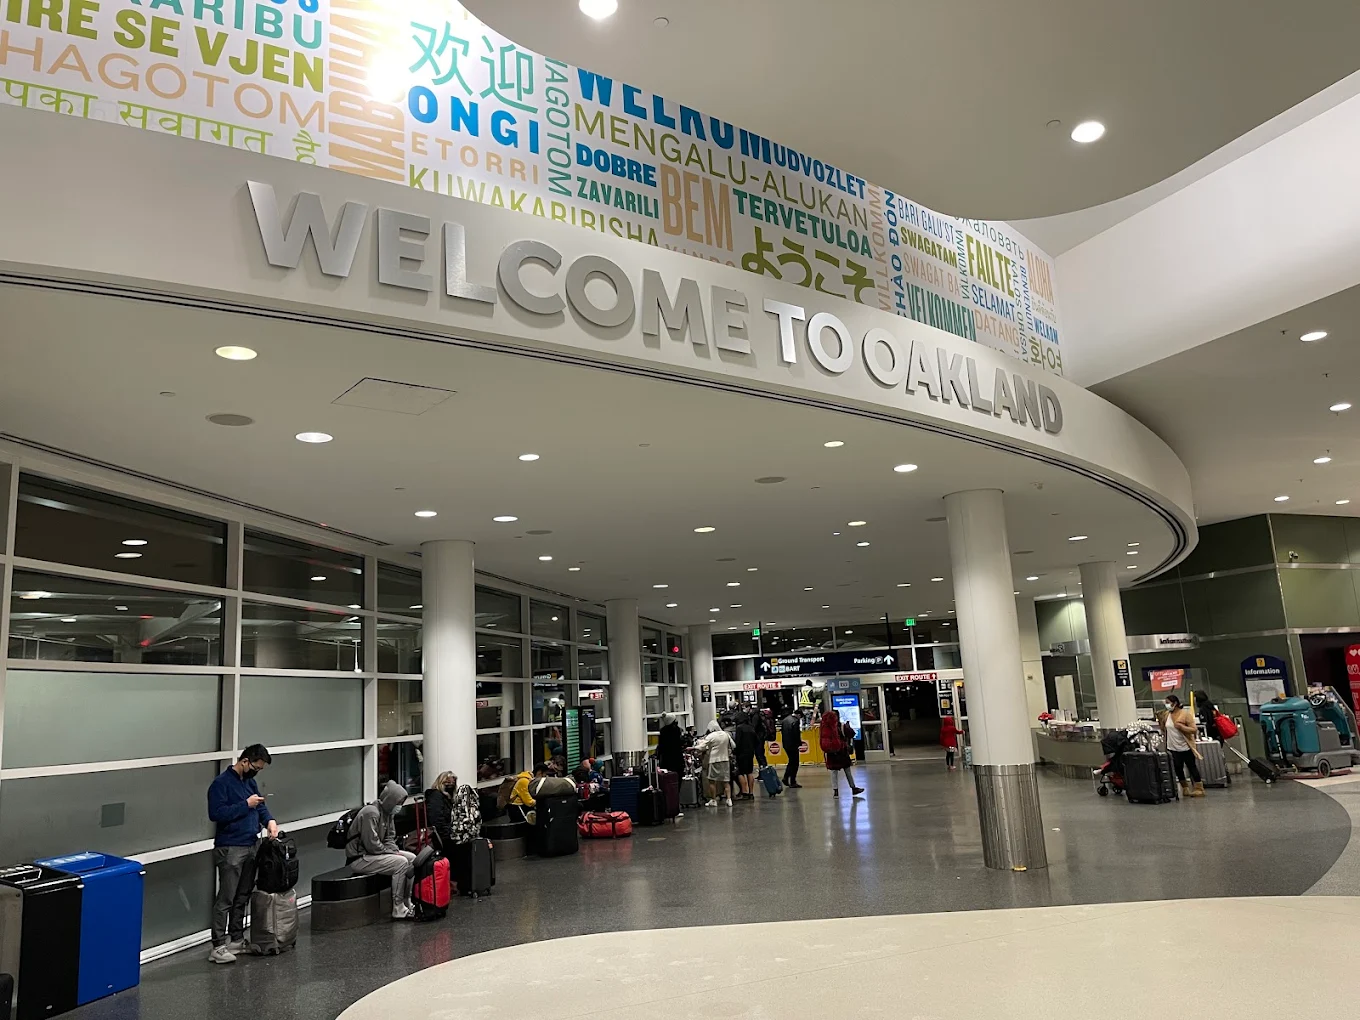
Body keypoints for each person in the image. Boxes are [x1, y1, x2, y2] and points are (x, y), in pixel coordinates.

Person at [206, 744, 277, 965]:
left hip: (250, 844)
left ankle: (236, 939)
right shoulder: (220, 784)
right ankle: (218, 946)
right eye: (256, 767)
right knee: (226, 898)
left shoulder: (249, 782)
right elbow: (216, 813)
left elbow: (259, 806)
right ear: (245, 761)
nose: (257, 772)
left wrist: (270, 821)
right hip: (231, 847)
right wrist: (246, 804)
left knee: (242, 895)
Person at [345, 780, 418, 919]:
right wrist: (391, 852)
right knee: (401, 863)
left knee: (412, 859)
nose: (399, 806)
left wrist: (394, 850)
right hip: (360, 858)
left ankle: (407, 900)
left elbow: (389, 837)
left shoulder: (388, 814)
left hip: (374, 854)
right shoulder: (371, 813)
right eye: (398, 802)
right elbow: (371, 844)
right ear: (390, 800)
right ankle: (398, 907)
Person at [1161, 694, 1205, 798]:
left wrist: (1182, 727)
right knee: (1178, 768)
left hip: (1185, 746)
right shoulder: (1166, 715)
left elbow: (1194, 729)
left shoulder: (1185, 714)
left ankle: (1199, 788)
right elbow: (1164, 728)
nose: (1166, 705)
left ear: (1175, 703)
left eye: (1168, 703)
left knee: (1191, 767)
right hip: (1172, 747)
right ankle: (1185, 787)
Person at [821, 709, 864, 798]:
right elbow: (852, 734)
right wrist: (848, 726)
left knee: (834, 772)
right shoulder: (842, 726)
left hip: (831, 752)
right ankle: (853, 788)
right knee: (847, 770)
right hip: (842, 751)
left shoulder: (825, 727)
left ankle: (835, 791)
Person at [696, 718, 735, 807]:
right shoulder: (725, 734)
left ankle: (713, 800)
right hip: (725, 759)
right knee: (726, 781)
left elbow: (702, 747)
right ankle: (729, 800)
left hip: (714, 760)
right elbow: (733, 745)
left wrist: (693, 748)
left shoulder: (711, 736)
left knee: (712, 781)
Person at [733, 711, 760, 799]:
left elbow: (738, 742)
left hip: (741, 753)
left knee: (740, 772)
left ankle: (744, 792)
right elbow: (757, 741)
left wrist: (735, 752)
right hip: (750, 753)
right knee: (749, 772)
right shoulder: (751, 727)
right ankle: (751, 793)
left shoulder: (739, 728)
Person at [780, 709, 804, 788]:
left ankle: (786, 778)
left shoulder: (785, 720)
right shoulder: (795, 721)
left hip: (786, 744)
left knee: (791, 762)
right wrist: (799, 743)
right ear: (799, 715)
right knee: (795, 763)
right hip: (793, 745)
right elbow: (796, 734)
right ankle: (792, 781)